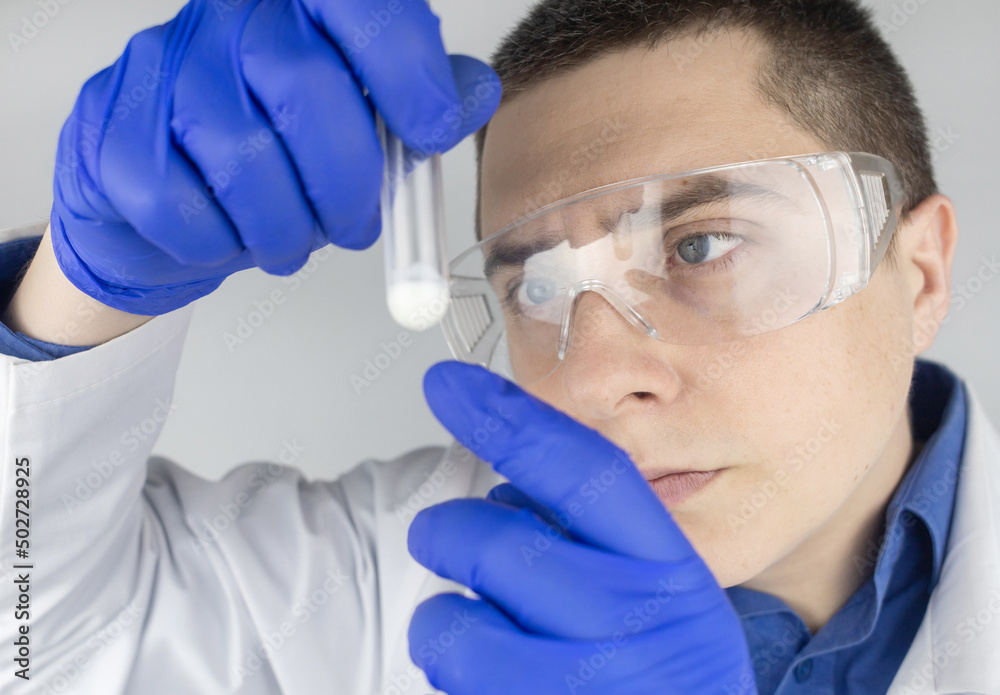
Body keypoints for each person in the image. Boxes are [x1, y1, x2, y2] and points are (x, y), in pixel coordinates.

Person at [0, 0, 997, 693]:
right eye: (538, 287)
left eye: (700, 245)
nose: (597, 377)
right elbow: (39, 646)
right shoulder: (396, 570)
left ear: (918, 273)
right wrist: (84, 290)